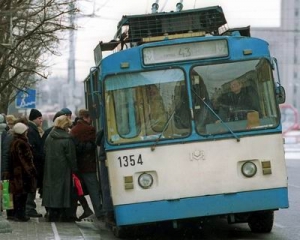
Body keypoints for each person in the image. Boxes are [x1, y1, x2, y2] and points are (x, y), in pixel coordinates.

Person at [42, 115, 79, 222]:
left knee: (52, 189)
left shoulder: (50, 136)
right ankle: (63, 213)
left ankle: (52, 212)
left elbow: (45, 151)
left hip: (50, 168)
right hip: (64, 169)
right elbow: (71, 157)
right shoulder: (67, 139)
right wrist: (75, 169)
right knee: (64, 190)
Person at [70, 109, 103, 220]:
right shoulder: (90, 129)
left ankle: (76, 212)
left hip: (77, 166)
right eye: (90, 118)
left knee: (78, 190)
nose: (91, 120)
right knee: (94, 189)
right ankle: (99, 212)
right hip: (88, 165)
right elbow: (93, 144)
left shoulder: (73, 130)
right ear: (86, 117)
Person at [9, 122, 37, 222]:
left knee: (17, 194)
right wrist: (31, 171)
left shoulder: (14, 142)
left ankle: (17, 214)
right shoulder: (21, 143)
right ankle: (20, 215)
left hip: (16, 172)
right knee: (22, 195)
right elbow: (24, 160)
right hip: (22, 174)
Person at [26, 108, 44, 218]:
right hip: (34, 164)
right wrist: (40, 156)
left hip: (34, 163)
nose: (41, 120)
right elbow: (33, 148)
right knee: (31, 187)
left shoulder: (32, 129)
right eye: (39, 118)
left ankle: (30, 207)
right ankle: (29, 208)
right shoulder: (32, 131)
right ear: (34, 119)